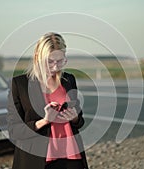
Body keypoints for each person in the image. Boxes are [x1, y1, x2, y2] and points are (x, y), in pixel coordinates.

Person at [7, 32, 89, 169]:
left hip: (72, 157)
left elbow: (79, 121)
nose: (56, 67)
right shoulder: (20, 85)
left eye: (60, 61)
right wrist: (44, 121)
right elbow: (13, 130)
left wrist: (74, 118)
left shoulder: (69, 80)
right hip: (38, 160)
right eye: (50, 62)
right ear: (37, 57)